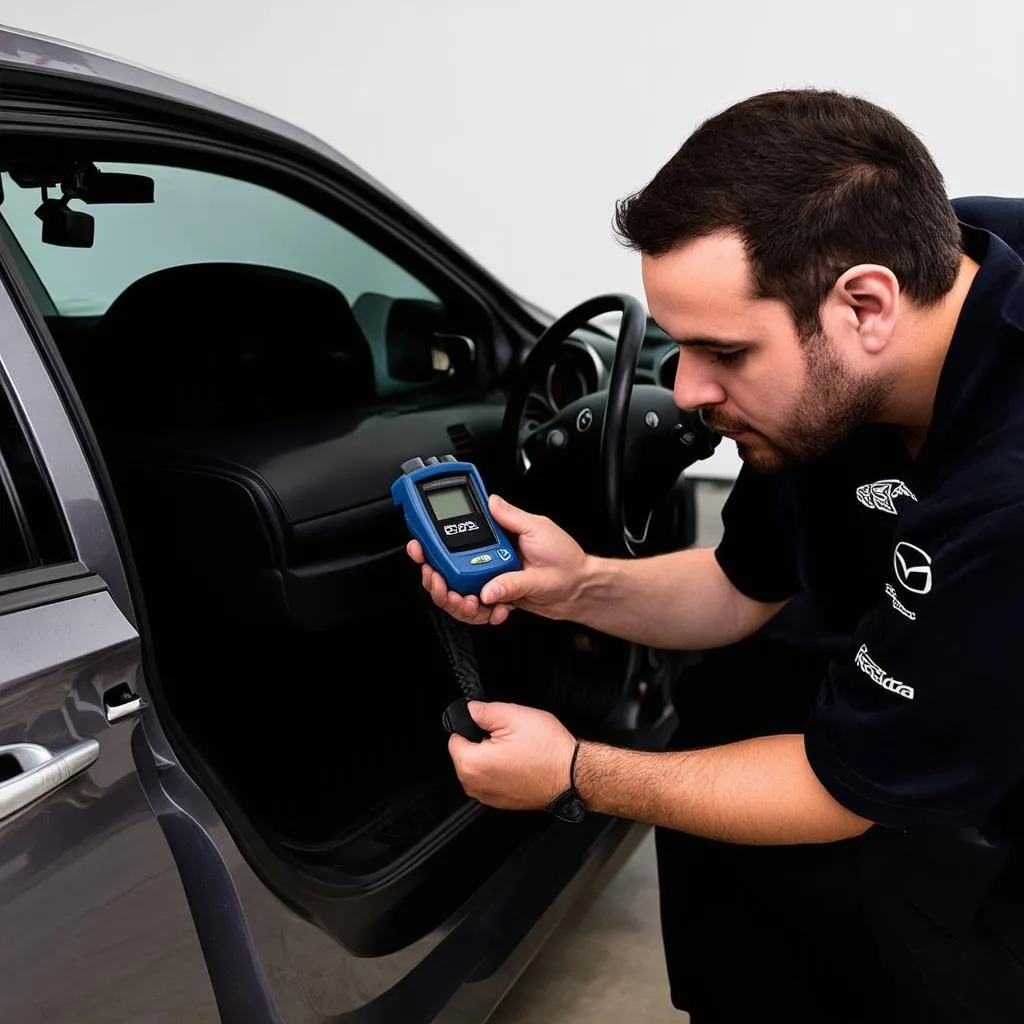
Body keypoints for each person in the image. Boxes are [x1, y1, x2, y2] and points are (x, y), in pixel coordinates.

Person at [407, 89, 1024, 1023]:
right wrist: (578, 585)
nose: (687, 389)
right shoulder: (905, 275)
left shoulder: (1004, 491)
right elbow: (743, 587)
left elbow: (842, 789)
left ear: (866, 305)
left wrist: (578, 772)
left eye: (721, 351)